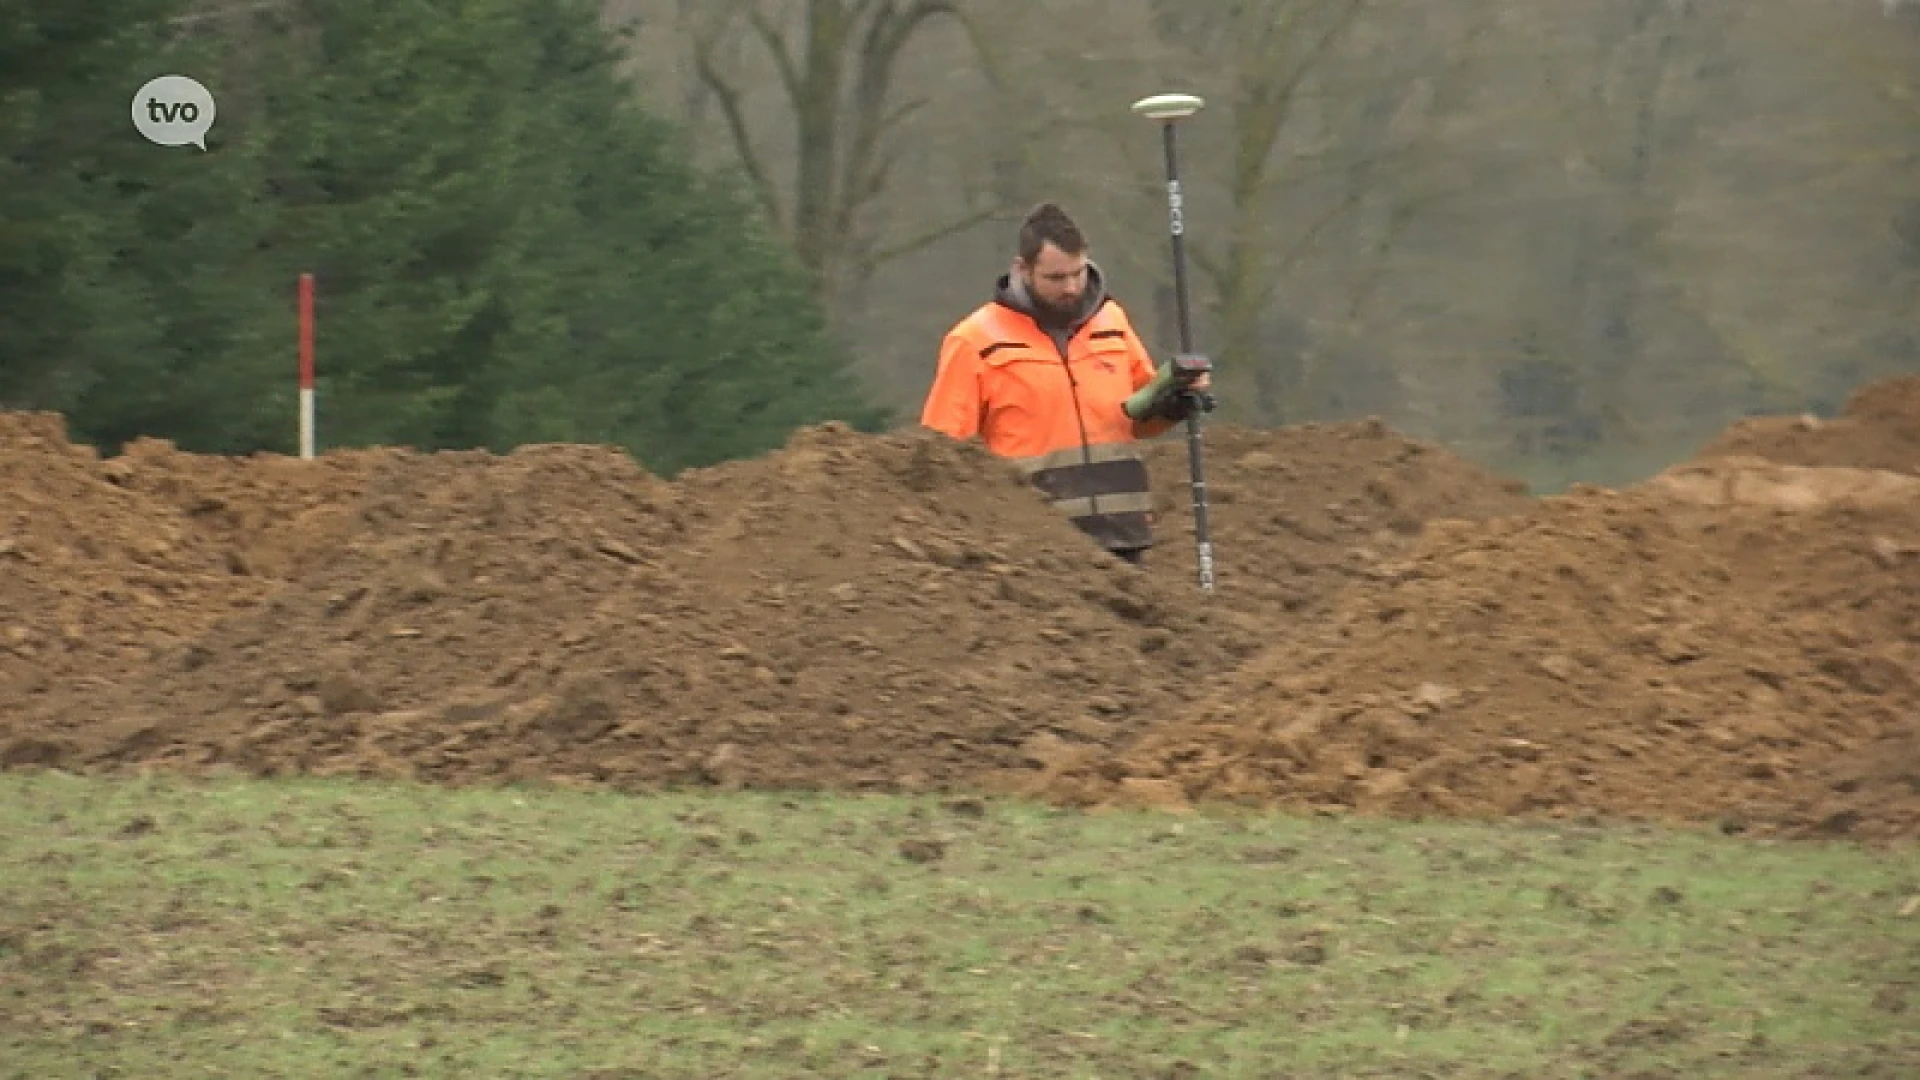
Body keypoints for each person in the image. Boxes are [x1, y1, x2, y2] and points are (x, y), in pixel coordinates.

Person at [920, 201, 1211, 565]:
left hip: (1123, 539)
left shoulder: (1111, 321)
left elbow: (1136, 417)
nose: (1072, 287)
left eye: (1079, 273)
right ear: (1022, 269)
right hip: (1034, 550)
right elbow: (940, 451)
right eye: (1056, 278)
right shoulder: (976, 340)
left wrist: (1174, 402)